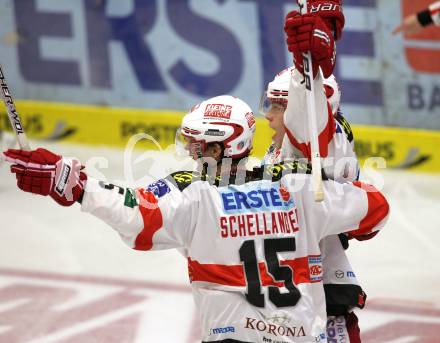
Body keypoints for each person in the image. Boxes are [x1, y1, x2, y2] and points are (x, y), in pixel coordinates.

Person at [3, 93, 389, 343]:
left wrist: (74, 183)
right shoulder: (300, 188)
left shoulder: (192, 194)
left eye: (198, 143)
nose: (190, 150)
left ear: (222, 147)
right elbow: (375, 210)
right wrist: (335, 187)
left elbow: (135, 216)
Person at [261, 67, 365, 343]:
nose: (268, 116)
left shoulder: (331, 145)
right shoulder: (279, 150)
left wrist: (310, 81)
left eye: (278, 106)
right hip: (282, 297)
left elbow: (320, 137)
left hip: (319, 300)